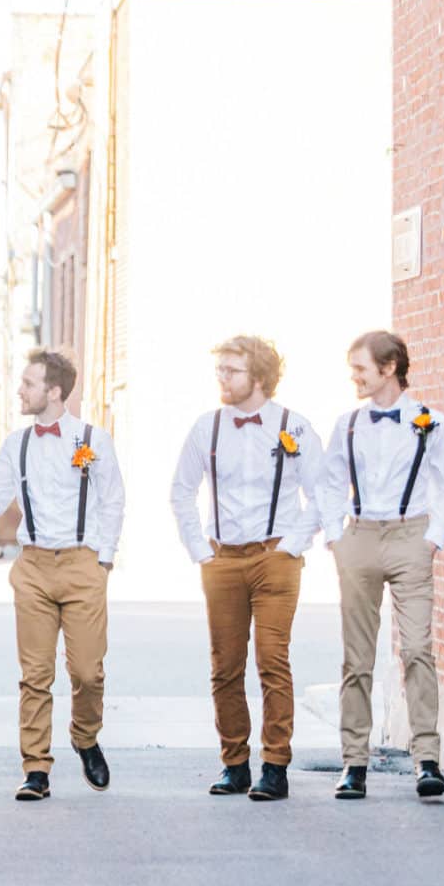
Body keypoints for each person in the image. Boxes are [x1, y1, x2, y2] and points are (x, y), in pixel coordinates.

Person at [0, 350, 124, 800]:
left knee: (88, 672)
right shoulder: (17, 444)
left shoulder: (94, 440)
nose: (20, 391)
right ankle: (36, 768)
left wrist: (104, 560)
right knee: (35, 674)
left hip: (83, 563)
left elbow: (113, 500)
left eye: (29, 383)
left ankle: (85, 736)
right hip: (32, 567)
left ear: (55, 391)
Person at [170, 335, 325, 802]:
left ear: (258, 377)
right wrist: (200, 550)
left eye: (231, 370)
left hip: (275, 557)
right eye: (219, 369)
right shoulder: (207, 428)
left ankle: (275, 766)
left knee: (272, 661)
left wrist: (292, 546)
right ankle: (234, 764)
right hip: (222, 559)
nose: (222, 378)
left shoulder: (294, 427)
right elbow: (182, 490)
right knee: (225, 665)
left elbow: (322, 494)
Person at [320, 330, 444, 799]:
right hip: (360, 536)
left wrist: (432, 541)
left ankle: (427, 760)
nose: (354, 377)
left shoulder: (431, 423)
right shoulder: (347, 424)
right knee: (357, 657)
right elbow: (329, 483)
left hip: (410, 537)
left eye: (360, 369)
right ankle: (354, 763)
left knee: (418, 649)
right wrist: (337, 537)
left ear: (389, 368)